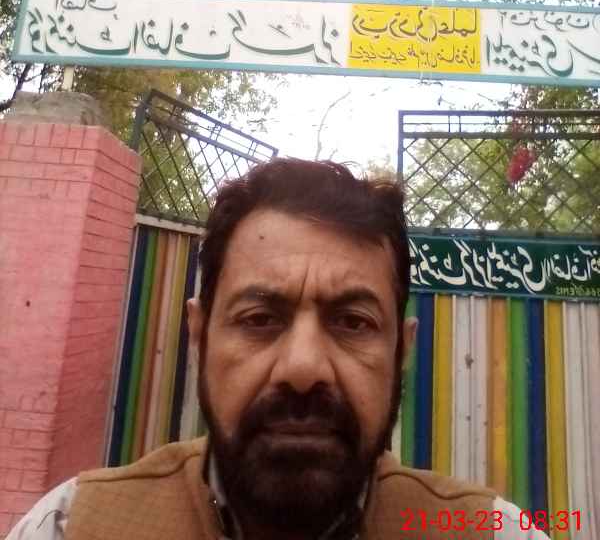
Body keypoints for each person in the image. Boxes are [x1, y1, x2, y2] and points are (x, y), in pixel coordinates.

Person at [8, 158, 549, 540]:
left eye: (353, 323)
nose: (303, 368)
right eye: (260, 320)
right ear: (199, 336)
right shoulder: (69, 526)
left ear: (400, 352)